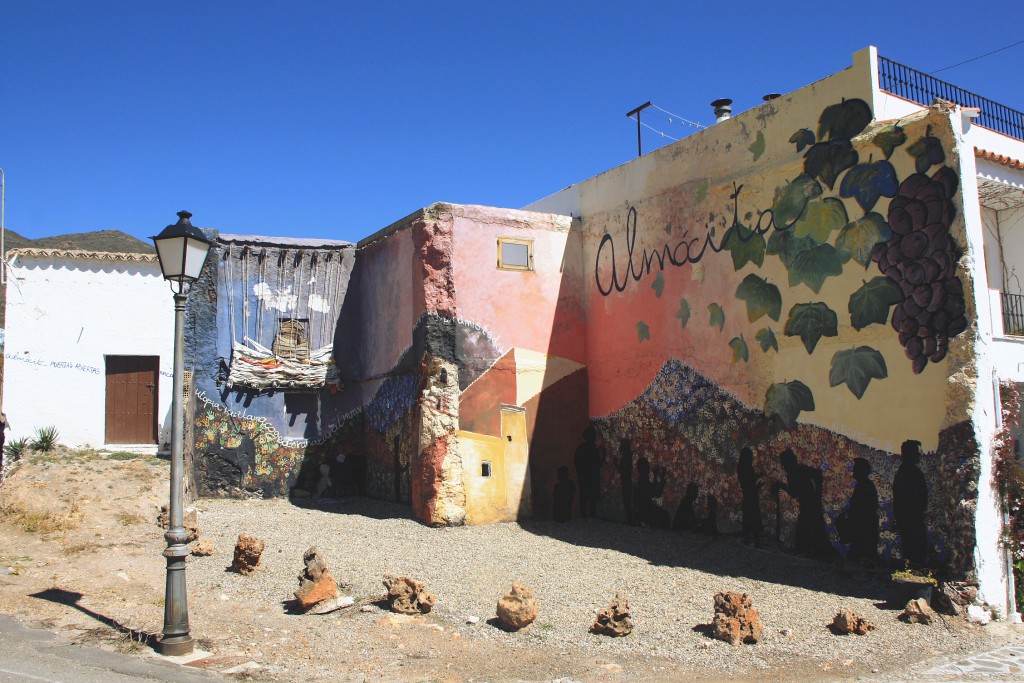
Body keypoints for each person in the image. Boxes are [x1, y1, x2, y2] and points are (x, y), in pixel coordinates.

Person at [774, 448, 835, 557]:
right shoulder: (793, 472)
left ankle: (812, 550)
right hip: (807, 504)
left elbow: (817, 474)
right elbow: (795, 493)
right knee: (810, 527)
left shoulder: (799, 471)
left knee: (810, 527)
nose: (784, 465)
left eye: (785, 462)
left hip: (810, 503)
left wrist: (818, 494)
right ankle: (810, 550)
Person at [893, 440, 929, 564]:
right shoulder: (908, 474)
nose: (919, 455)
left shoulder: (908, 473)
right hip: (911, 518)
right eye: (916, 453)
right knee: (914, 546)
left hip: (911, 517)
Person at [837, 458, 879, 561]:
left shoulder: (864, 486)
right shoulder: (864, 485)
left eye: (856, 468)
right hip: (864, 528)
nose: (854, 471)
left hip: (863, 529)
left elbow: (862, 508)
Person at [573, 426, 604, 518]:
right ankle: (591, 519)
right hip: (592, 478)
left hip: (583, 477)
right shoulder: (593, 449)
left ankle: (584, 518)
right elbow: (597, 464)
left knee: (584, 499)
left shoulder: (581, 448)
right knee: (592, 499)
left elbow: (576, 462)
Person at [737, 447, 762, 546]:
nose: (752, 458)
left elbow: (747, 482)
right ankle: (754, 538)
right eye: (750, 457)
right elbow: (748, 483)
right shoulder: (745, 468)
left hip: (749, 494)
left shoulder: (743, 467)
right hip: (750, 495)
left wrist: (757, 478)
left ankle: (749, 537)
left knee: (749, 516)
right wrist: (757, 484)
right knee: (752, 515)